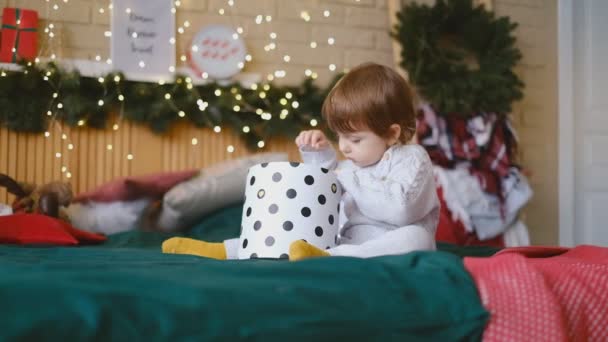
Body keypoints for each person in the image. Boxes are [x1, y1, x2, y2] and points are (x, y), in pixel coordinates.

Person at [162, 62, 439, 261]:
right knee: (289, 229)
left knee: (416, 238)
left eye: (354, 140)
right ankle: (224, 250)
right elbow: (319, 196)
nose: (344, 146)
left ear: (391, 134)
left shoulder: (412, 159)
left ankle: (330, 258)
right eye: (339, 136)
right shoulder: (350, 165)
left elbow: (401, 210)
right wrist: (319, 157)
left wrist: (347, 177)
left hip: (388, 242)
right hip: (344, 241)